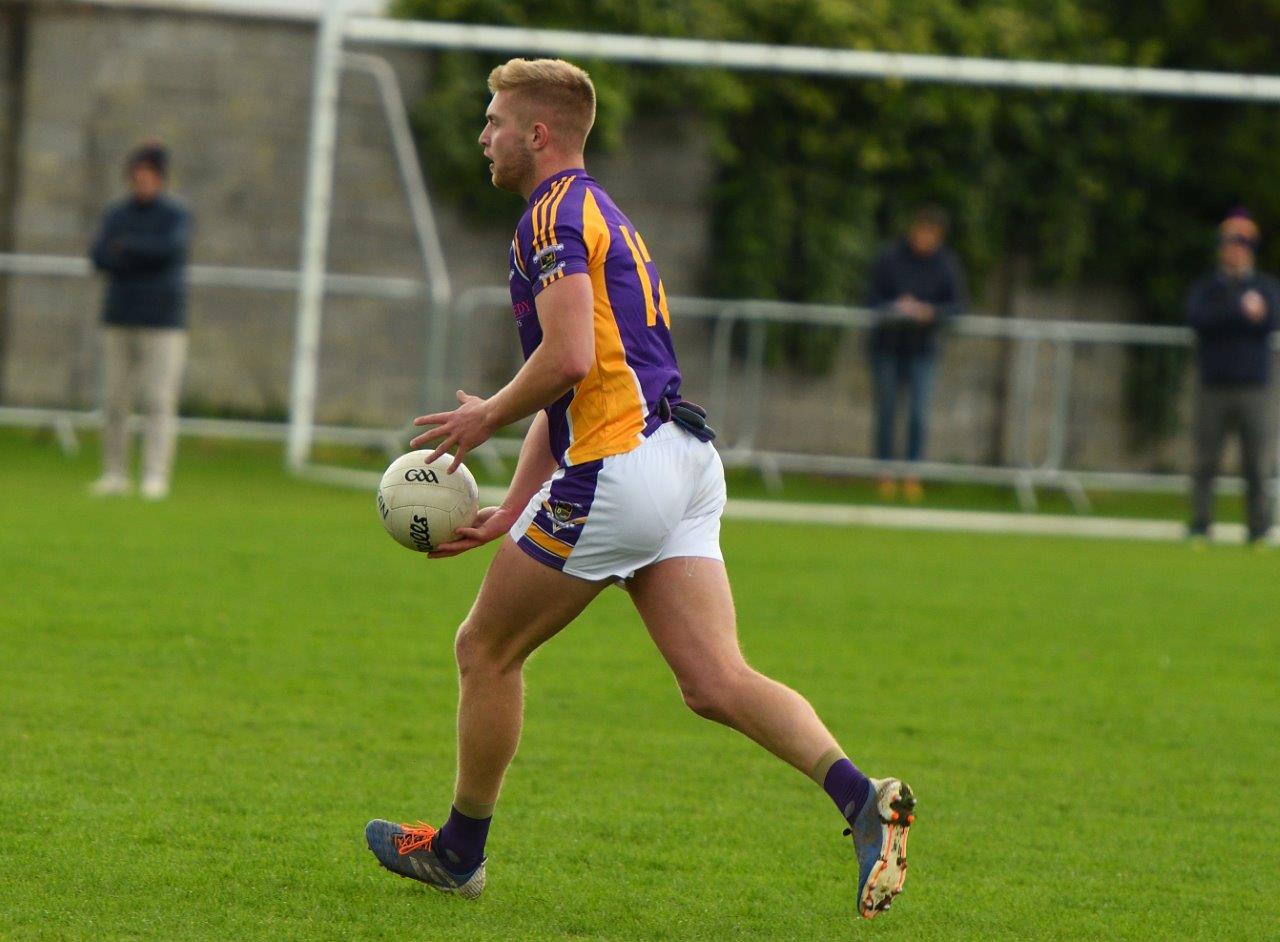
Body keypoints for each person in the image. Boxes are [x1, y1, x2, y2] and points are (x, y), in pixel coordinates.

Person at [364, 58, 916, 920]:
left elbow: (567, 363)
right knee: (715, 680)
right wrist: (513, 502)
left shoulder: (546, 218)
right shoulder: (601, 212)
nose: (484, 135)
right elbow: (575, 385)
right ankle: (860, 797)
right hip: (682, 459)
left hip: (619, 470)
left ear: (537, 133)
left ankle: (458, 853)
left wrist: (484, 422)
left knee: (485, 650)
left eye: (495, 119)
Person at [88, 141, 191, 500]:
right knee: (115, 399)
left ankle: (154, 476)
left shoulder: (175, 215)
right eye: (137, 175)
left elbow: (167, 251)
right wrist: (131, 250)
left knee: (159, 401)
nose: (142, 181)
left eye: (149, 175)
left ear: (159, 178)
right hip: (120, 317)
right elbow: (100, 255)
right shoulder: (118, 214)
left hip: (163, 322)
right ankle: (114, 473)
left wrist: (127, 248)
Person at [1186, 209, 1278, 546]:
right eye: (1228, 243)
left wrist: (1237, 316)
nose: (1233, 250)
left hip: (1253, 384)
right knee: (1205, 459)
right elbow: (1199, 320)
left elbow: (1269, 323)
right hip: (1213, 383)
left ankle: (1258, 527)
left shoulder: (1265, 287)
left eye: (1241, 244)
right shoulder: (1209, 287)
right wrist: (1240, 312)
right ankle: (1200, 523)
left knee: (1256, 461)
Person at [865, 205, 967, 502]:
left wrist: (929, 312)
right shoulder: (889, 257)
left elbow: (957, 306)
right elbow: (871, 298)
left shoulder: (946, 263)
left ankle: (912, 475)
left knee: (918, 415)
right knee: (886, 412)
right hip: (887, 346)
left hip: (923, 350)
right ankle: (883, 474)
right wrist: (897, 308)